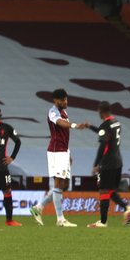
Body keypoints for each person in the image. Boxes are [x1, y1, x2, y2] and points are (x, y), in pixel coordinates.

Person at [29, 88, 90, 227]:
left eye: (66, 99)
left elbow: (64, 133)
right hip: (56, 151)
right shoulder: (53, 111)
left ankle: (38, 208)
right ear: (55, 101)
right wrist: (75, 125)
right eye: (62, 100)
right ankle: (60, 219)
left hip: (63, 151)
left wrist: (68, 152)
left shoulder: (64, 111)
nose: (65, 101)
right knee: (58, 183)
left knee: (63, 185)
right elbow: (60, 123)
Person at [87, 101, 130, 228]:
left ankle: (103, 222)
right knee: (110, 190)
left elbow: (103, 145)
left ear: (100, 111)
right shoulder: (116, 123)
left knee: (103, 190)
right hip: (118, 162)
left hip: (108, 163)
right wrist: (90, 126)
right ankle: (127, 208)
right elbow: (105, 134)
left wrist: (96, 164)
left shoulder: (105, 125)